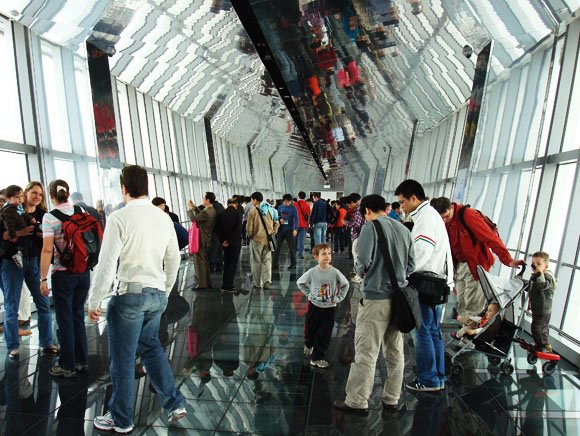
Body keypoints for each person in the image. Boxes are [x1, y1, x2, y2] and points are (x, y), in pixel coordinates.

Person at [87, 165, 186, 433]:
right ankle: (175, 404)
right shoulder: (163, 218)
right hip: (157, 294)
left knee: (123, 358)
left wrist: (94, 301)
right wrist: (165, 290)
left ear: (124, 188)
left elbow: (107, 264)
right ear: (146, 187)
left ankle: (121, 419)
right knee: (151, 347)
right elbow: (173, 259)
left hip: (130, 295)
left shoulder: (119, 218)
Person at [333, 194, 415, 414]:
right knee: (395, 351)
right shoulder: (404, 229)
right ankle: (391, 398)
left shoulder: (370, 227)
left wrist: (365, 272)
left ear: (367, 211)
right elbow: (411, 266)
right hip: (398, 300)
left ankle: (357, 401)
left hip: (375, 300)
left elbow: (362, 262)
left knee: (366, 351)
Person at [395, 180, 454, 392]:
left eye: (403, 202)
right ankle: (438, 377)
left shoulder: (426, 218)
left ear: (413, 198)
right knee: (433, 331)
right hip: (437, 283)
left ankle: (428, 379)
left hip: (426, 284)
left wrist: (402, 275)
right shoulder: (430, 215)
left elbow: (420, 254)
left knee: (422, 332)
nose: (402, 207)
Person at [430, 197, 524, 319]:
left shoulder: (468, 215)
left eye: (446, 216)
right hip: (460, 266)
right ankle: (464, 327)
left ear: (452, 207)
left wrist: (508, 260)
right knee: (462, 304)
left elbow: (490, 238)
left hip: (476, 265)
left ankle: (470, 328)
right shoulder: (445, 222)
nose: (444, 220)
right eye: (441, 218)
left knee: (472, 306)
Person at [40, 180, 93, 378]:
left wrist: (43, 278)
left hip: (63, 274)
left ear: (51, 195)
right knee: (78, 316)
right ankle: (82, 361)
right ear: (68, 194)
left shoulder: (49, 217)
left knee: (65, 320)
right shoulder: (80, 210)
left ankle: (67, 365)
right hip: (84, 272)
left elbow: (47, 249)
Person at [1, 183, 57, 360]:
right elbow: (3, 235)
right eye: (34, 193)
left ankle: (47, 343)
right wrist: (21, 232)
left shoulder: (43, 215)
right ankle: (13, 346)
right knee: (12, 304)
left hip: (33, 261)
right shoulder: (10, 210)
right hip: (12, 261)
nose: (37, 197)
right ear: (25, 194)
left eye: (40, 194)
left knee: (42, 302)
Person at [297, 243, 349, 369]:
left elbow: (345, 284)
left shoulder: (335, 272)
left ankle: (317, 357)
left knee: (325, 332)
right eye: (324, 254)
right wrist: (309, 294)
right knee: (311, 328)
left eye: (329, 253)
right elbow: (300, 282)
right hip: (314, 306)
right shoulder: (312, 272)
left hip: (329, 308)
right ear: (316, 257)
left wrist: (338, 298)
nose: (327, 256)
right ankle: (309, 344)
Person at [246, 192, 279, 289]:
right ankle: (267, 280)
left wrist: (250, 236)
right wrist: (273, 232)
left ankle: (258, 283)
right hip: (268, 240)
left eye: (252, 200)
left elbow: (249, 228)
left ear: (255, 200)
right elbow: (277, 223)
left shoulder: (253, 212)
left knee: (257, 261)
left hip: (257, 240)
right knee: (267, 260)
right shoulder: (270, 210)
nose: (252, 202)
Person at [1, 185, 35, 269]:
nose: (20, 199)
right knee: (23, 243)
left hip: (20, 230)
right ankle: (17, 254)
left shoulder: (18, 207)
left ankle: (19, 253)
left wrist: (30, 218)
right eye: (17, 197)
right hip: (15, 232)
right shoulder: (9, 209)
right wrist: (13, 235)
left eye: (22, 196)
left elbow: (23, 214)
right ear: (8, 199)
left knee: (26, 243)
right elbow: (9, 224)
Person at [187, 193, 217, 289]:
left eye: (203, 198)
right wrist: (194, 207)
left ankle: (202, 284)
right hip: (206, 239)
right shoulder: (212, 210)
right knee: (204, 262)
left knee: (199, 263)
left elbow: (193, 219)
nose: (202, 199)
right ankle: (207, 282)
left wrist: (190, 209)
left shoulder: (206, 212)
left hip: (201, 239)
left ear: (208, 200)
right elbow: (201, 215)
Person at [529, 251, 556, 352]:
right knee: (539, 328)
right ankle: (540, 344)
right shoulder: (536, 275)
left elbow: (541, 285)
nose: (535, 266)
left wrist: (540, 273)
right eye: (533, 264)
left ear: (546, 266)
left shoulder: (547, 277)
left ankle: (544, 346)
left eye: (539, 264)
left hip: (543, 310)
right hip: (537, 308)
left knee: (538, 329)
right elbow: (533, 288)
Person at [215, 197, 243, 292]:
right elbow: (238, 229)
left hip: (224, 244)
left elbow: (217, 229)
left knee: (226, 262)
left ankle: (224, 283)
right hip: (235, 243)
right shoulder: (238, 214)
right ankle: (228, 285)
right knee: (233, 264)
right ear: (236, 204)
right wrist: (229, 240)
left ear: (227, 204)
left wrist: (223, 240)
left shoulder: (221, 214)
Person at [272, 194, 298, 270]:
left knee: (291, 248)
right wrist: (280, 219)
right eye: (285, 201)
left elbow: (296, 219)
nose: (286, 203)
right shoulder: (280, 207)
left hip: (290, 230)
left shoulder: (293, 208)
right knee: (277, 247)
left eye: (288, 201)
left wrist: (295, 229)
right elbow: (276, 216)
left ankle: (293, 264)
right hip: (281, 230)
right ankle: (274, 264)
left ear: (291, 201)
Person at [344, 194, 364, 284]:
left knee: (356, 255)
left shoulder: (358, 211)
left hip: (358, 236)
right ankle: (357, 273)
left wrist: (346, 223)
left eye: (349, 204)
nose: (349, 206)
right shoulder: (360, 210)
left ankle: (359, 275)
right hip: (359, 235)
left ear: (353, 202)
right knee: (356, 255)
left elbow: (357, 224)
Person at [294, 191, 310, 259]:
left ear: (298, 196)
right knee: (301, 241)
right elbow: (308, 216)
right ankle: (300, 255)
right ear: (305, 197)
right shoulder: (307, 205)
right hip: (303, 226)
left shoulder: (294, 204)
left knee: (294, 240)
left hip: (295, 225)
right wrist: (307, 225)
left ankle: (293, 254)